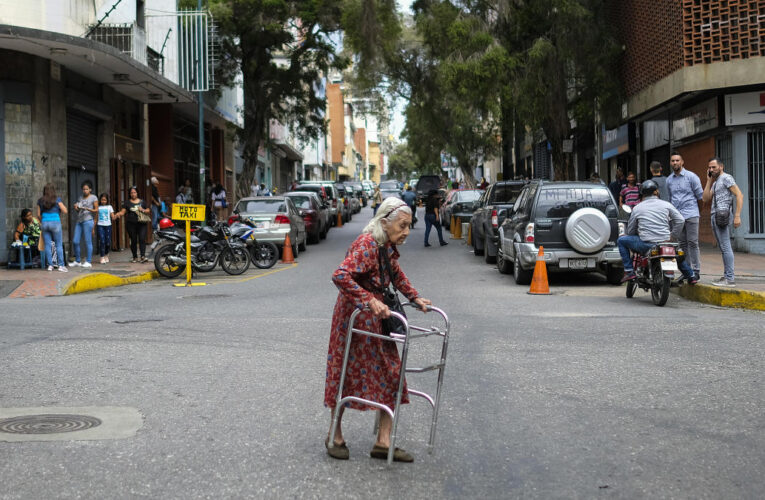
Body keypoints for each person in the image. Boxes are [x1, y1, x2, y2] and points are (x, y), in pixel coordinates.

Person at [324, 197, 432, 462]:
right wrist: (369, 300)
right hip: (355, 318)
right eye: (402, 225)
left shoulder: (385, 245)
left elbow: (394, 273)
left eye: (409, 225)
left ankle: (384, 442)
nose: (406, 231)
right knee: (344, 376)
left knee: (392, 374)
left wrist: (414, 296)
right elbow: (340, 275)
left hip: (377, 319)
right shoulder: (367, 244)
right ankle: (334, 436)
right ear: (385, 222)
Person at [617, 180, 697, 284]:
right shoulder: (666, 205)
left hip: (646, 244)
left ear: (642, 194)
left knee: (621, 240)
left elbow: (631, 231)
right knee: (674, 254)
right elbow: (680, 220)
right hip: (665, 241)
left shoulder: (637, 208)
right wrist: (673, 236)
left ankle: (629, 271)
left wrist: (636, 232)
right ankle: (691, 276)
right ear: (656, 192)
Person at [702, 157, 744, 287]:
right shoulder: (715, 182)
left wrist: (737, 215)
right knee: (723, 248)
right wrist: (709, 181)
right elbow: (705, 198)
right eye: (709, 167)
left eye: (714, 167)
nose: (711, 169)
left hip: (723, 215)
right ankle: (727, 276)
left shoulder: (726, 178)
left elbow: (739, 195)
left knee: (726, 247)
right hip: (715, 215)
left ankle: (729, 278)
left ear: (721, 167)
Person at [666, 151, 703, 279]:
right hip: (677, 217)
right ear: (670, 163)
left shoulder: (691, 177)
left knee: (693, 242)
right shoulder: (669, 180)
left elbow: (700, 197)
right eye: (673, 161)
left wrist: (697, 212)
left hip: (691, 213)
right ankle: (687, 272)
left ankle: (696, 271)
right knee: (682, 245)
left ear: (682, 162)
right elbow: (670, 200)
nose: (675, 162)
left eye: (677, 160)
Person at [36, 183, 69, 272]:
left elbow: (38, 215)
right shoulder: (57, 199)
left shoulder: (40, 200)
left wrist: (44, 219)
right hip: (55, 222)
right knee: (58, 245)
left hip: (45, 223)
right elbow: (65, 211)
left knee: (47, 245)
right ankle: (61, 266)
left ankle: (50, 265)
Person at [115, 186, 151, 263]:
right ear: (130, 194)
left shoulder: (142, 202)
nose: (133, 194)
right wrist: (118, 214)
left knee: (142, 239)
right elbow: (122, 212)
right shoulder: (127, 203)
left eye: (134, 192)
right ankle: (135, 257)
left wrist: (143, 210)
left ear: (137, 193)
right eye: (131, 193)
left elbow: (148, 210)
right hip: (131, 224)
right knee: (133, 240)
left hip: (142, 224)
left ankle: (143, 256)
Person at [71, 180, 99, 268]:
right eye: (83, 189)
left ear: (90, 189)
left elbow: (96, 210)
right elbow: (78, 210)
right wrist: (76, 207)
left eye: (86, 189)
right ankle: (78, 261)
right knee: (75, 241)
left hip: (88, 220)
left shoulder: (93, 197)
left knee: (88, 241)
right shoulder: (80, 198)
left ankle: (88, 261)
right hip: (79, 221)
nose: (85, 191)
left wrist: (87, 209)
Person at [96, 193, 115, 264]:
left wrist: (115, 216)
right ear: (100, 200)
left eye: (105, 200)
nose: (103, 201)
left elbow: (112, 216)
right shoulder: (98, 207)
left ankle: (106, 254)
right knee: (102, 241)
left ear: (107, 200)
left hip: (108, 225)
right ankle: (102, 257)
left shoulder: (109, 207)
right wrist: (94, 227)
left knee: (108, 242)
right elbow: (96, 217)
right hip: (100, 225)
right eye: (102, 200)